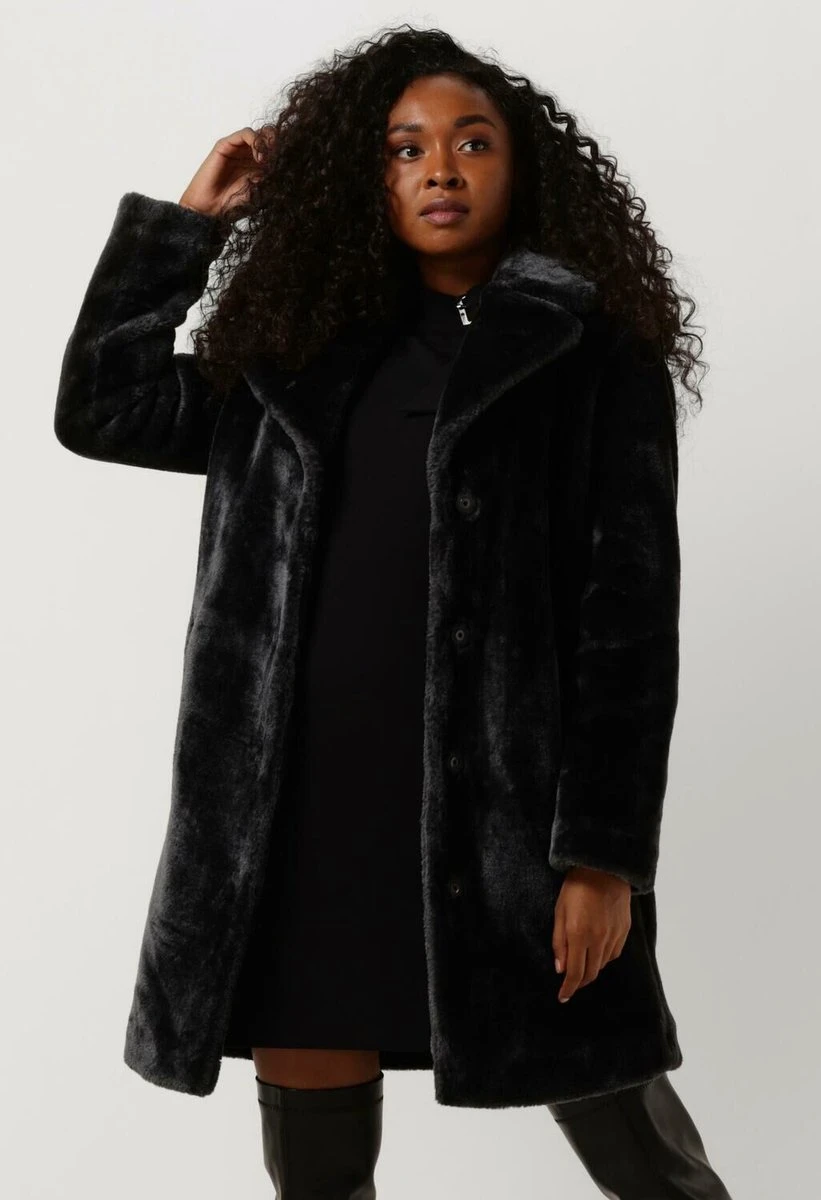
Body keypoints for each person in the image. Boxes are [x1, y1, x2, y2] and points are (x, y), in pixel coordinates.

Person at [54, 24, 734, 1200]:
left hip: (505, 824)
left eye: (471, 142)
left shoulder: (585, 355)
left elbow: (629, 622)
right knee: (316, 1165)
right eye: (403, 148)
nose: (438, 168)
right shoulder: (289, 348)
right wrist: (188, 228)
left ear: (520, 167)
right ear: (360, 177)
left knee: (629, 1133)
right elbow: (104, 407)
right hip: (293, 814)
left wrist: (601, 859)